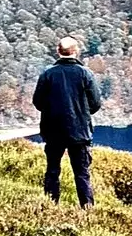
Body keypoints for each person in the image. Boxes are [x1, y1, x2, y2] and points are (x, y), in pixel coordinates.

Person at [32, 36, 102, 207]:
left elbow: (38, 102)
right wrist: (82, 114)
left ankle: (50, 206)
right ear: (76, 51)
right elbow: (95, 103)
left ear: (58, 51)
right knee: (82, 173)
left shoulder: (47, 74)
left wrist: (51, 113)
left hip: (53, 131)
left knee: (52, 171)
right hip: (79, 132)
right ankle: (87, 210)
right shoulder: (85, 73)